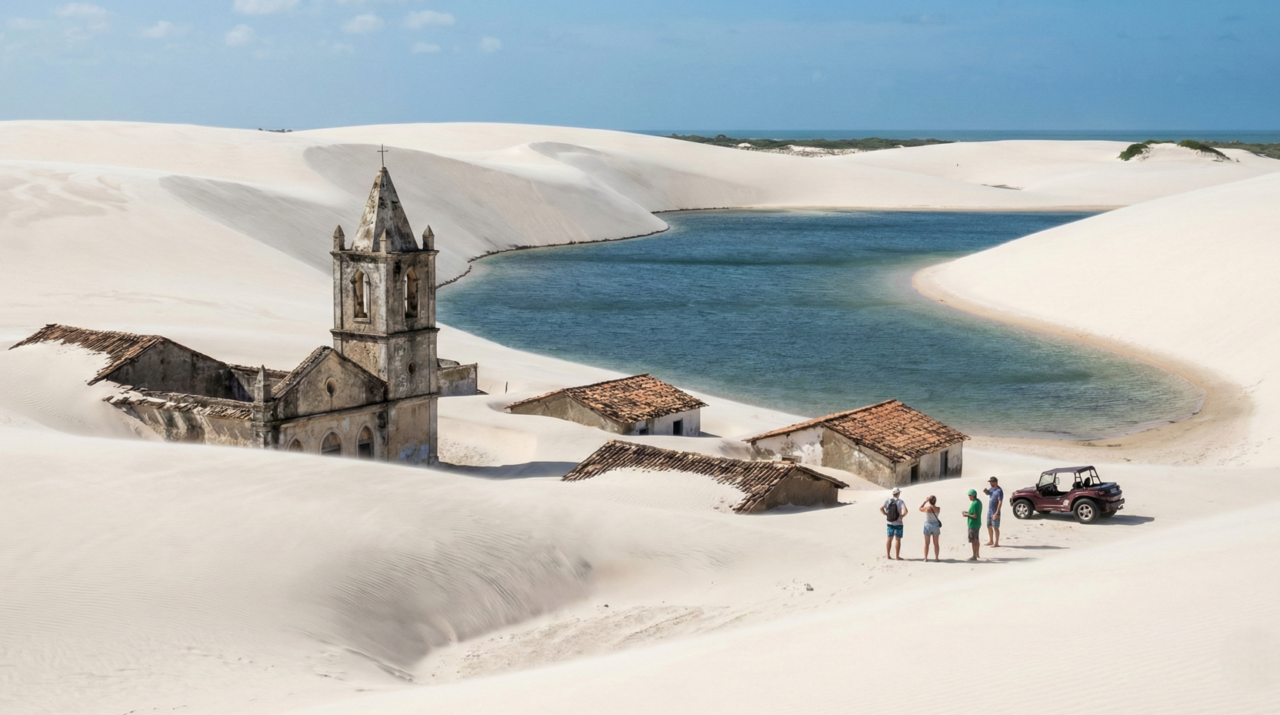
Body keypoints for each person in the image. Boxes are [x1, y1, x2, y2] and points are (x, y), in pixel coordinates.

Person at [880, 487, 907, 560]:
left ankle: (888, 555)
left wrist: (885, 514)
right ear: (898, 493)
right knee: (897, 539)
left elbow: (881, 508)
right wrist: (902, 516)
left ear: (893, 493)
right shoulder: (900, 501)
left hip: (890, 522)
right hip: (898, 523)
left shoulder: (888, 500)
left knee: (889, 538)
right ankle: (897, 557)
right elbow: (905, 511)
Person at [919, 495, 942, 562]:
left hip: (928, 525)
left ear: (929, 501)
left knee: (926, 543)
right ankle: (936, 558)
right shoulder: (938, 508)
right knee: (936, 543)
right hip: (935, 525)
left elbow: (920, 508)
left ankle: (925, 558)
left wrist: (924, 501)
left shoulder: (927, 508)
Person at [984, 476, 1004, 547]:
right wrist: (986, 491)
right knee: (988, 526)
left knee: (995, 527)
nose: (990, 483)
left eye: (991, 482)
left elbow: (1000, 502)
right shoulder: (992, 489)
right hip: (989, 511)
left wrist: (997, 513)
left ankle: (996, 543)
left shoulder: (999, 490)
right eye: (990, 482)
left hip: (995, 512)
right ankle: (991, 540)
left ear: (995, 482)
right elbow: (988, 493)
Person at [963, 489, 982, 560]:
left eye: (969, 495)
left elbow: (975, 516)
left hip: (973, 524)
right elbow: (974, 513)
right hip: (977, 523)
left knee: (973, 541)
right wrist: (967, 512)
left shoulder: (974, 504)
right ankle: (977, 554)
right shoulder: (978, 502)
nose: (969, 497)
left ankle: (974, 556)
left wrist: (966, 515)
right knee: (976, 539)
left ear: (973, 496)